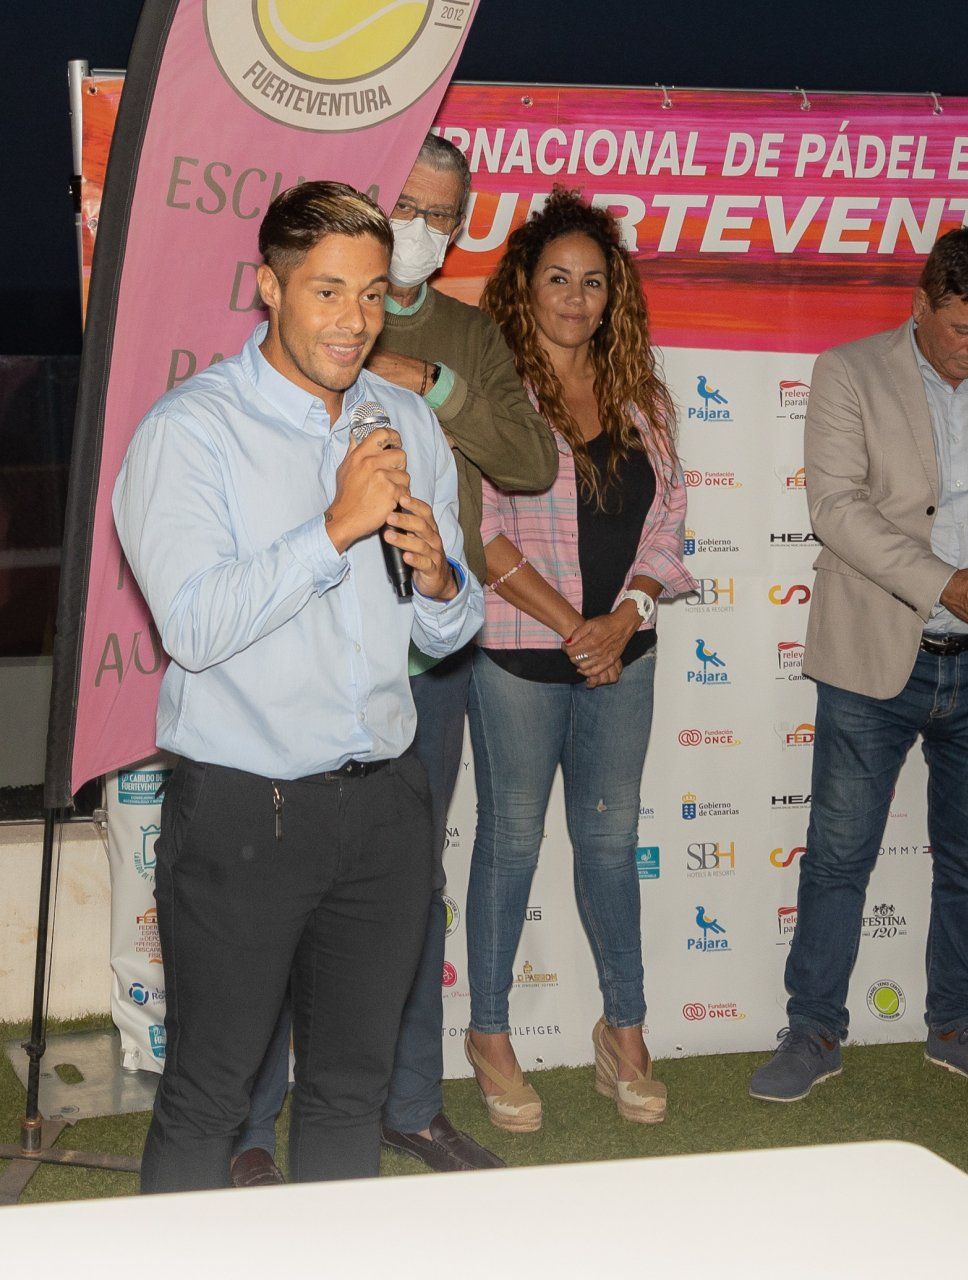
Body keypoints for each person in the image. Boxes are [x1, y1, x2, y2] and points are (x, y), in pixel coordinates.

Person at [113, 181, 482, 1191]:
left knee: (351, 1092)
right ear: (269, 288)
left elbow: (451, 626)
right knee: (210, 1093)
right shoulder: (191, 432)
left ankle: (333, 1258)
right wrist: (333, 529)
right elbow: (194, 627)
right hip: (247, 813)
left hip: (388, 806)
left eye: (371, 294)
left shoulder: (406, 422)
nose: (354, 320)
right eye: (327, 292)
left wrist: (442, 580)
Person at [229, 135, 558, 1186]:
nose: (420, 228)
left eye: (441, 214)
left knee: (409, 894)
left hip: (427, 658)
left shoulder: (469, 331)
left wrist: (439, 386)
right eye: (405, 204)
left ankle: (409, 1106)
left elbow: (529, 458)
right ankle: (248, 1127)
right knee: (279, 901)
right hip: (301, 652)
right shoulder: (308, 315)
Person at [749, 226, 968, 1103]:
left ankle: (958, 1027)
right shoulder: (848, 373)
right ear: (920, 305)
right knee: (838, 855)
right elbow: (836, 508)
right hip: (876, 652)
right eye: (963, 330)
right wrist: (945, 583)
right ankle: (813, 1030)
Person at [461, 188, 692, 1129]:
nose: (576, 297)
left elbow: (669, 522)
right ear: (525, 287)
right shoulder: (492, 393)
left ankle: (623, 1032)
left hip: (623, 657)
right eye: (557, 278)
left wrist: (626, 617)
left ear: (613, 295)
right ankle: (488, 1034)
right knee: (510, 843)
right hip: (522, 658)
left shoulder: (642, 394)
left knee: (608, 845)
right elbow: (481, 533)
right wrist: (577, 628)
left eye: (593, 282)